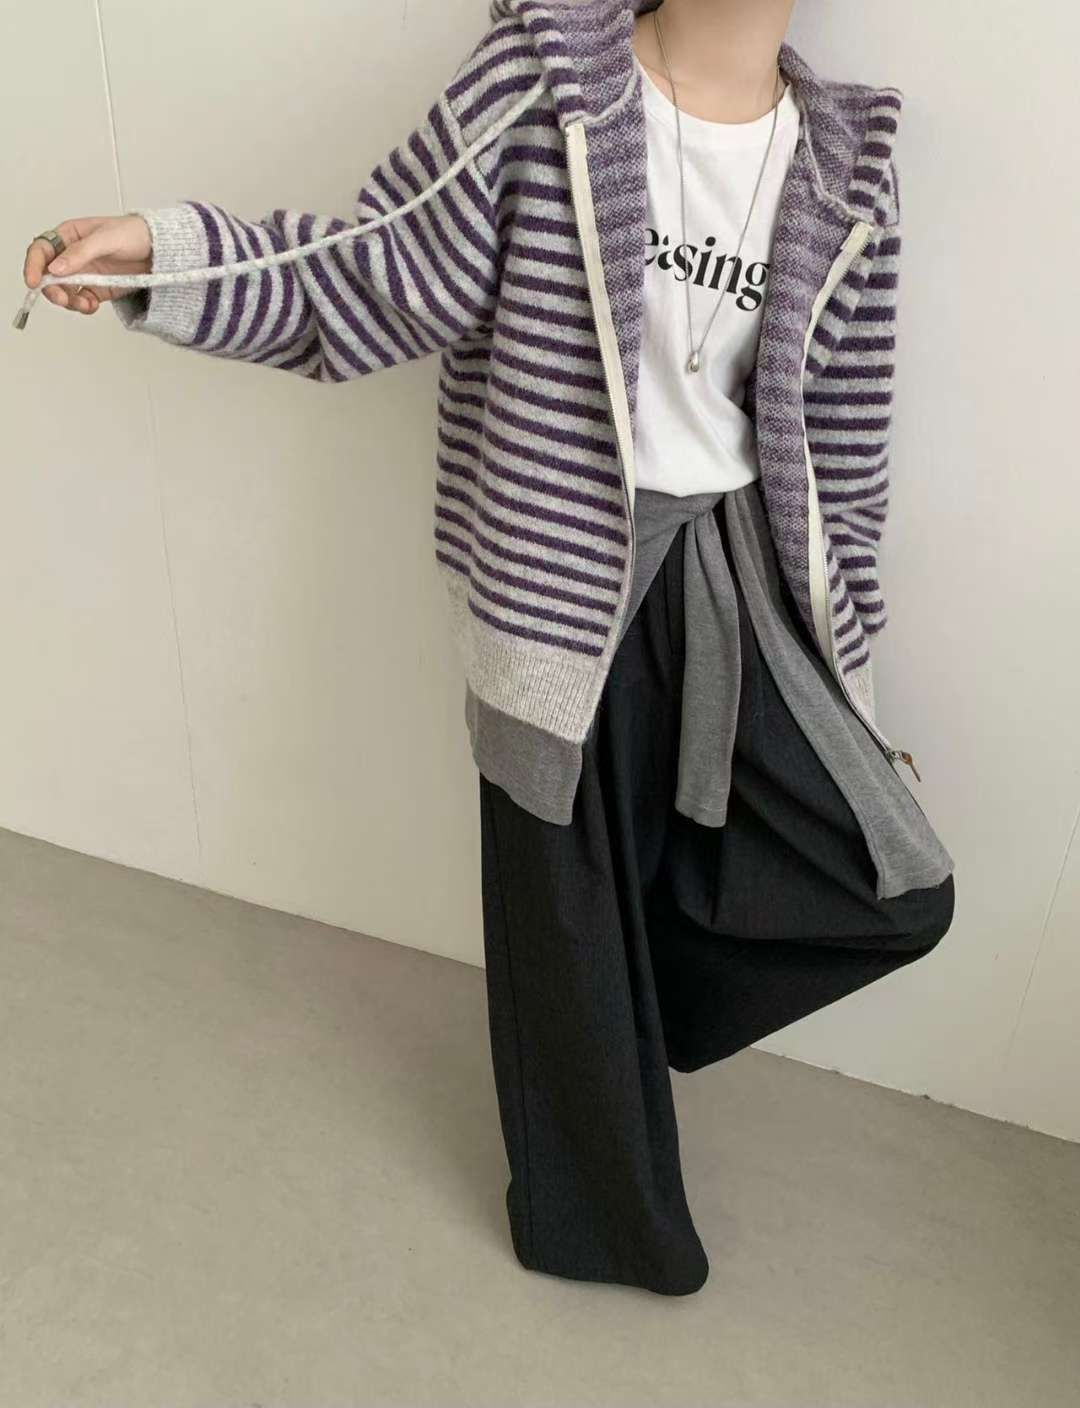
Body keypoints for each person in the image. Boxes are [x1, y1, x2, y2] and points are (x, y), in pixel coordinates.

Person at [20, 0, 956, 1297]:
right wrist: (167, 263)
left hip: (734, 579)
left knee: (890, 888)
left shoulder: (849, 160)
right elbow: (369, 275)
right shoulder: (548, 78)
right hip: (557, 576)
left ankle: (621, 1008)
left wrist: (849, 680)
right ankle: (600, 1221)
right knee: (561, 912)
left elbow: (847, 464)